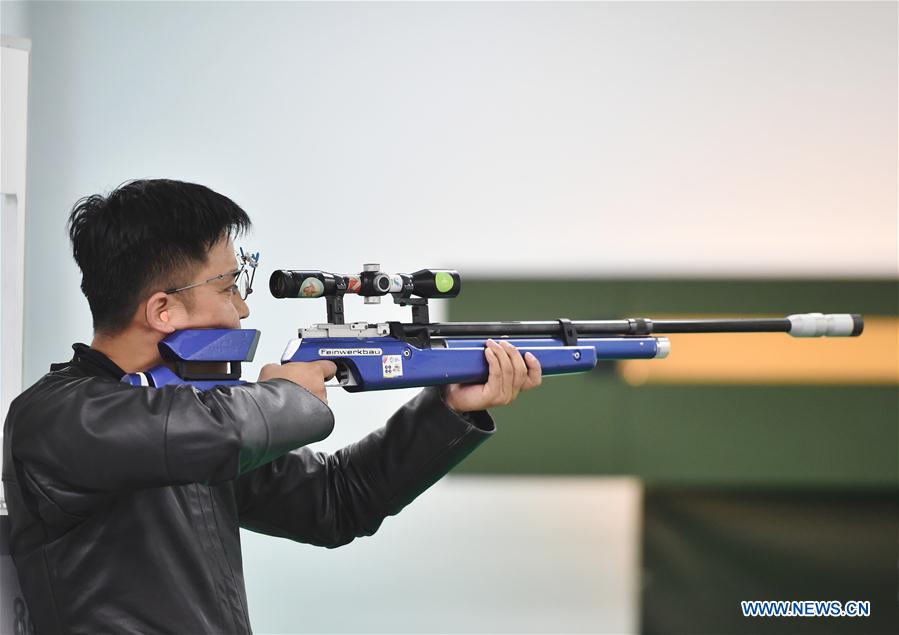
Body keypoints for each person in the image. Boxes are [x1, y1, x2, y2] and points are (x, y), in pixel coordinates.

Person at [1, 179, 542, 634]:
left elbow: (336, 501)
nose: (240, 310)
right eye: (229, 286)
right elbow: (221, 433)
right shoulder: (55, 418)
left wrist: (449, 409)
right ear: (163, 310)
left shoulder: (183, 415)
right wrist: (289, 394)